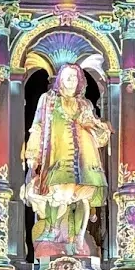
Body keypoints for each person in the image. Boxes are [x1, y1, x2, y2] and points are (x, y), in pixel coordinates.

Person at [22, 64, 111, 258]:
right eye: (67, 77)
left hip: (85, 158)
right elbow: (37, 126)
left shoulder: (85, 104)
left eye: (74, 77)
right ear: (60, 80)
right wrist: (32, 153)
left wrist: (98, 127)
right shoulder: (47, 100)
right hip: (57, 155)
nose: (71, 81)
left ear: (80, 81)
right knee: (56, 193)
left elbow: (99, 135)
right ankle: (53, 229)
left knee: (81, 198)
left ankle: (76, 239)